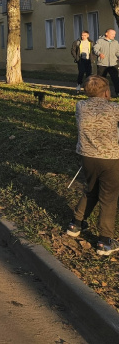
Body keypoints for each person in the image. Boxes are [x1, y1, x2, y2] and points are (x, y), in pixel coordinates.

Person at [66, 76, 119, 255]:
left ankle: (75, 224)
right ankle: (105, 241)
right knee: (108, 198)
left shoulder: (80, 106)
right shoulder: (114, 108)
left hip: (87, 156)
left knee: (91, 190)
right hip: (111, 158)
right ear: (106, 92)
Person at [93, 29, 119, 97]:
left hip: (113, 64)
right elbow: (95, 49)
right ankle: (100, 94)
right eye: (112, 34)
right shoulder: (100, 41)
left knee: (116, 79)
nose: (114, 35)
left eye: (114, 34)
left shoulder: (115, 42)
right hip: (102, 64)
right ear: (106, 34)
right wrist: (99, 53)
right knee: (101, 80)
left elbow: (117, 52)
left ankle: (117, 92)